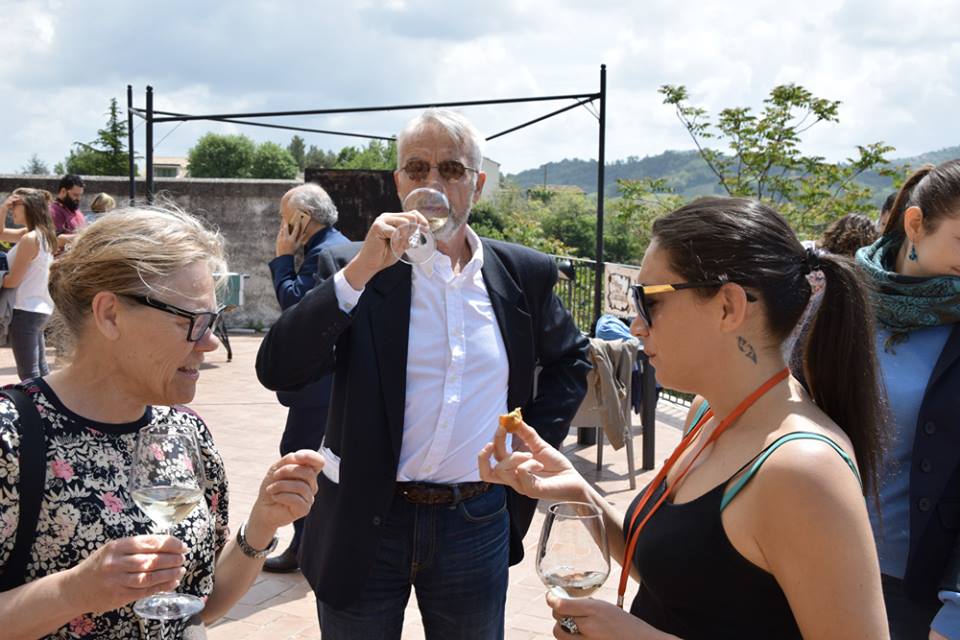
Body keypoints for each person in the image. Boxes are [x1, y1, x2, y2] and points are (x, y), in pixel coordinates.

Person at [480, 197, 889, 639]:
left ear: (728, 307)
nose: (635, 325)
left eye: (648, 300)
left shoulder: (803, 470)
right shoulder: (707, 413)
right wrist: (578, 491)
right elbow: (677, 573)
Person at [256, 108, 591, 639]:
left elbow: (572, 358)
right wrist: (360, 271)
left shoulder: (521, 273)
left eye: (452, 170)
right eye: (417, 170)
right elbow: (280, 368)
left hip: (475, 518)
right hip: (369, 517)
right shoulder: (355, 266)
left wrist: (527, 447)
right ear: (399, 183)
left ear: (477, 185)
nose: (433, 184)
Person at [0, 205, 325, 639]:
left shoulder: (186, 432)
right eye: (192, 321)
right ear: (110, 314)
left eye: (215, 320)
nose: (209, 342)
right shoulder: (11, 436)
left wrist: (263, 523)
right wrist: (75, 589)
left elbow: (200, 606)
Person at [856, 160, 960, 639]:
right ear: (915, 224)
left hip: (909, 594)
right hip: (799, 557)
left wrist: (955, 612)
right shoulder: (838, 301)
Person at [262, 183, 349, 573]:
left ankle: (306, 547)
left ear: (301, 219)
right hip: (334, 381)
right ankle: (311, 544)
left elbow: (299, 310)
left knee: (298, 458)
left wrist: (283, 258)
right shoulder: (335, 244)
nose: (282, 226)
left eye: (285, 218)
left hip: (321, 383)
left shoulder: (325, 254)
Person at [0, 188, 57, 380]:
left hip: (24, 309)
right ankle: (47, 408)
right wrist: (3, 209)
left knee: (29, 374)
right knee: (40, 371)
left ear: (29, 207)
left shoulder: (29, 238)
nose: (12, 208)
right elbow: (0, 234)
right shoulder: (41, 235)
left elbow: (12, 281)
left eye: (16, 205)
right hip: (38, 308)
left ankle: (38, 409)